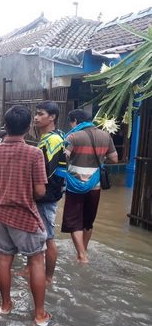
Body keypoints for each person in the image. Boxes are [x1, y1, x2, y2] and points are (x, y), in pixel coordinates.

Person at [0, 105, 51, 326]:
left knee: (4, 258)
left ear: (5, 126)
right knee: (37, 260)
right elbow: (40, 192)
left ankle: (5, 306)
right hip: (25, 215)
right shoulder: (34, 153)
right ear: (28, 128)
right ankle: (39, 315)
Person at [61, 109, 118, 263]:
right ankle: (84, 251)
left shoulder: (72, 136)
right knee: (88, 221)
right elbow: (114, 159)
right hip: (95, 186)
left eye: (71, 122)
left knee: (74, 221)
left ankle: (81, 255)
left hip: (75, 185)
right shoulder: (105, 136)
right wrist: (99, 158)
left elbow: (63, 156)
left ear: (74, 121)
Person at [32, 101, 66, 284]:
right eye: (36, 114)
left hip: (47, 196)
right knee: (39, 235)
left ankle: (48, 278)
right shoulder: (49, 137)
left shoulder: (53, 140)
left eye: (40, 114)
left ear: (52, 117)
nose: (36, 117)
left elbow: (46, 171)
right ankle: (31, 269)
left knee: (49, 237)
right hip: (45, 194)